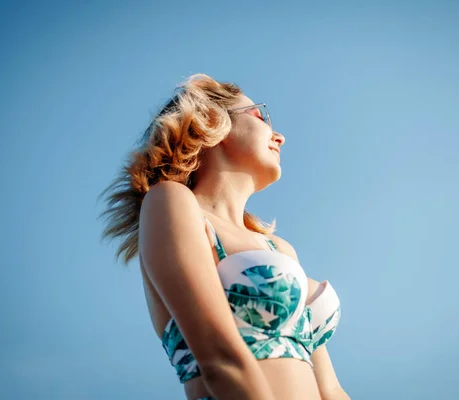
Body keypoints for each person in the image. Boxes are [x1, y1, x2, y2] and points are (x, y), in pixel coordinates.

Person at [100, 74, 348, 400]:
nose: (281, 136)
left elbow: (329, 387)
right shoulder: (171, 202)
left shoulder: (279, 248)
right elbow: (220, 359)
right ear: (214, 121)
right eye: (260, 115)